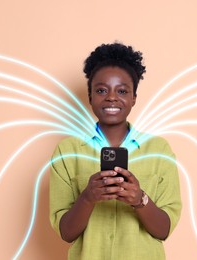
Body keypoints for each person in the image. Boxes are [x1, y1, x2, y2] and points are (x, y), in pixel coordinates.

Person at [49, 42, 182, 259]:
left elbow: (163, 230)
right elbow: (66, 233)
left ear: (134, 98)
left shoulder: (159, 150)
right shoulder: (67, 152)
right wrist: (87, 198)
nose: (111, 97)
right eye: (101, 90)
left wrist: (140, 199)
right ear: (90, 96)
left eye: (122, 91)